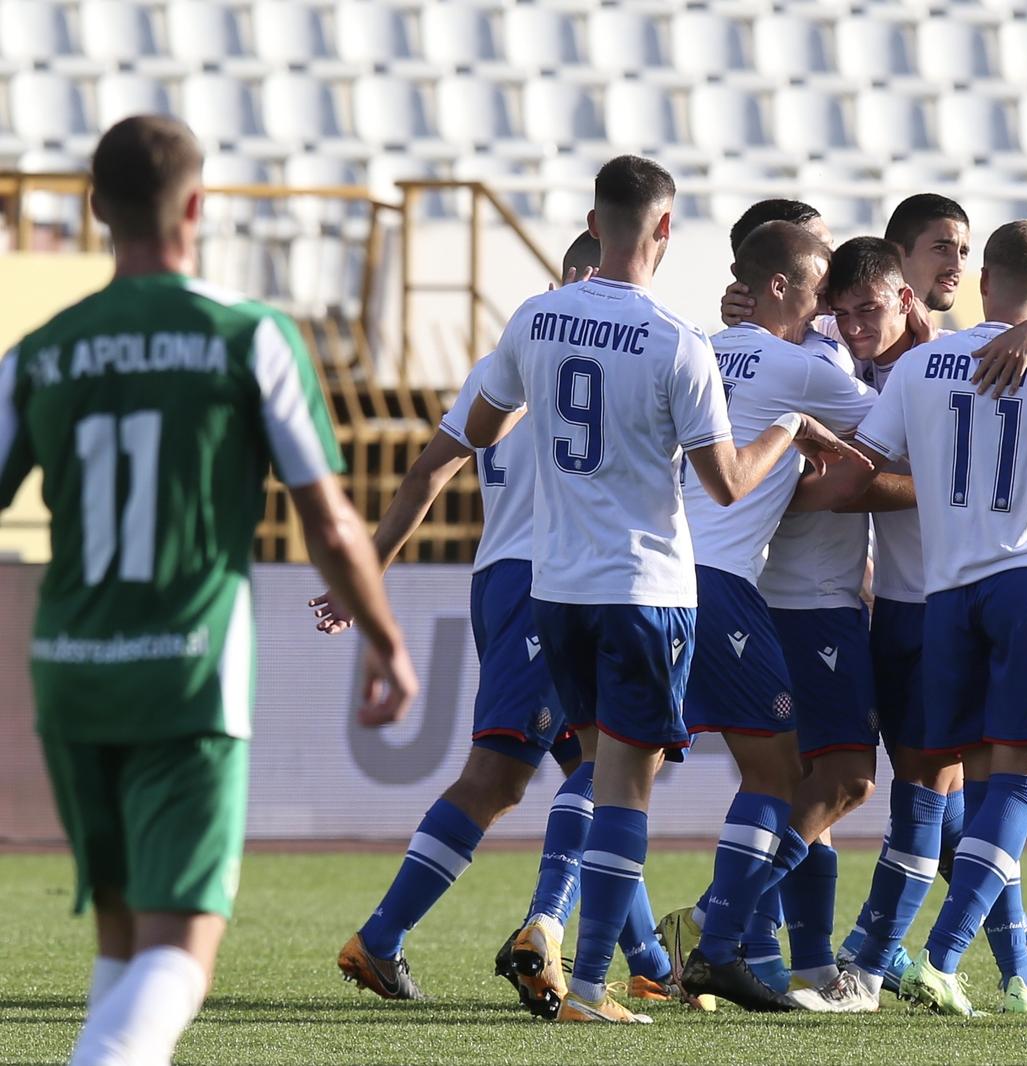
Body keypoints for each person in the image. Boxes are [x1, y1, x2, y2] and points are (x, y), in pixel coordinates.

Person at [0, 114, 417, 1065]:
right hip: (187, 678)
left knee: (122, 945)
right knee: (183, 951)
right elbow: (329, 519)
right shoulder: (250, 337)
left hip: (70, 676)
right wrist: (387, 640)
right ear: (199, 206)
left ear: (96, 208)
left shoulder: (41, 351)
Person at [462, 156, 866, 1023]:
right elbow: (725, 483)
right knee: (628, 790)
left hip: (554, 586)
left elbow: (482, 427)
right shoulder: (673, 339)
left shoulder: (535, 319)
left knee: (599, 771)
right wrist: (791, 428)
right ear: (665, 230)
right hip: (645, 584)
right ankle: (599, 985)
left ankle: (609, 964)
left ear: (593, 220)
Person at [316, 231, 685, 1013]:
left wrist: (368, 571)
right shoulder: (628, 345)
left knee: (584, 767)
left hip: (502, 578)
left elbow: (429, 470)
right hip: (556, 575)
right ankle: (530, 932)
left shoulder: (513, 352)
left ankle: (648, 954)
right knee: (580, 769)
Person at [853, 220, 1027, 1016]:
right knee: (1024, 783)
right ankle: (941, 954)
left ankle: (1021, 976)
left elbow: (867, 463)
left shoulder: (923, 366)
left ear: (985, 281)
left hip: (945, 594)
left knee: (982, 788)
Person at [655, 221, 881, 1011]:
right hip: (721, 583)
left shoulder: (694, 347)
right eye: (820, 294)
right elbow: (894, 426)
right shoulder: (798, 367)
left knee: (619, 768)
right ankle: (718, 942)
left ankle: (633, 947)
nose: (826, 313)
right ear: (782, 287)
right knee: (785, 777)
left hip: (648, 574)